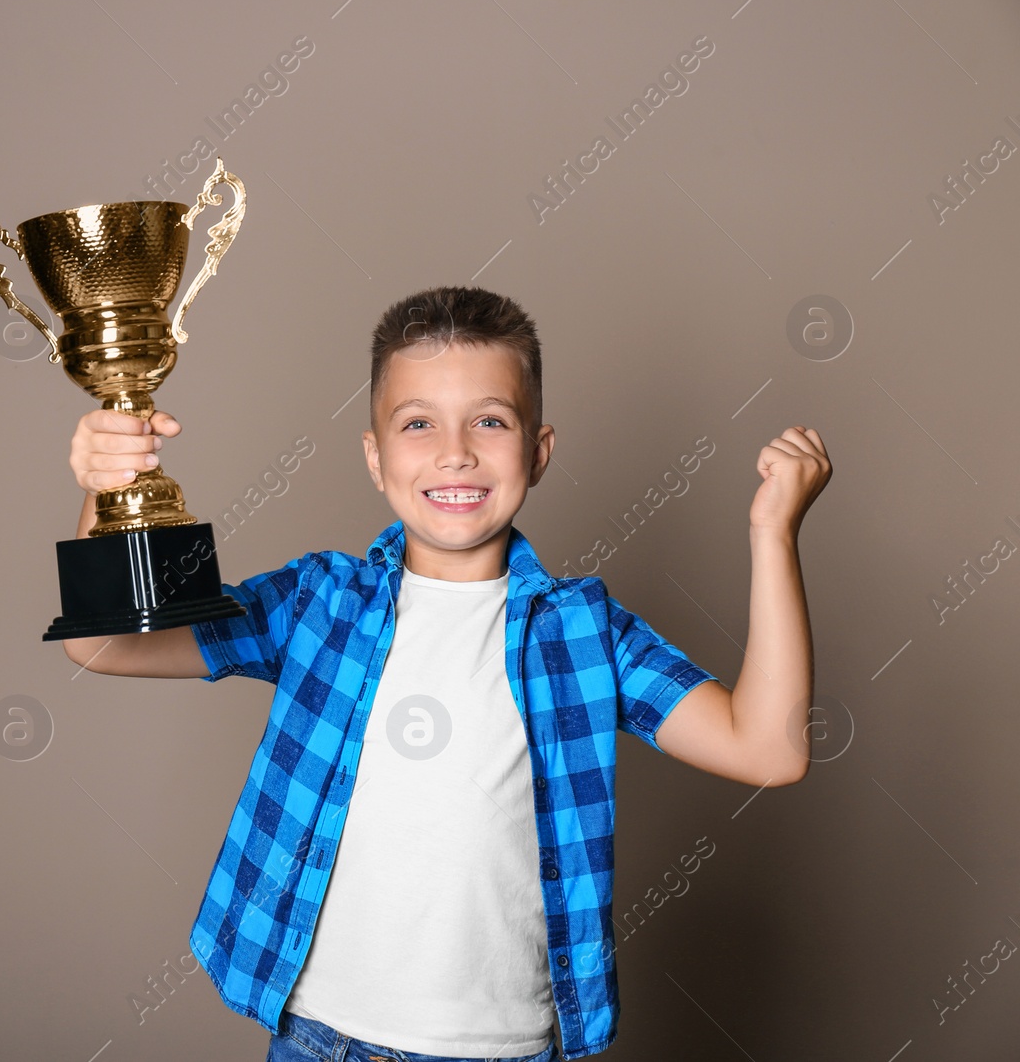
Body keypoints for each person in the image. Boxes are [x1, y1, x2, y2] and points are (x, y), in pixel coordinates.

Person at [60, 286, 832, 1061]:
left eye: (490, 421)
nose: (454, 451)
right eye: (418, 422)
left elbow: (769, 748)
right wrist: (107, 491)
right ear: (375, 456)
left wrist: (774, 533)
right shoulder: (318, 601)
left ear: (539, 450)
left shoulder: (585, 632)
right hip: (319, 1040)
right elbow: (107, 645)